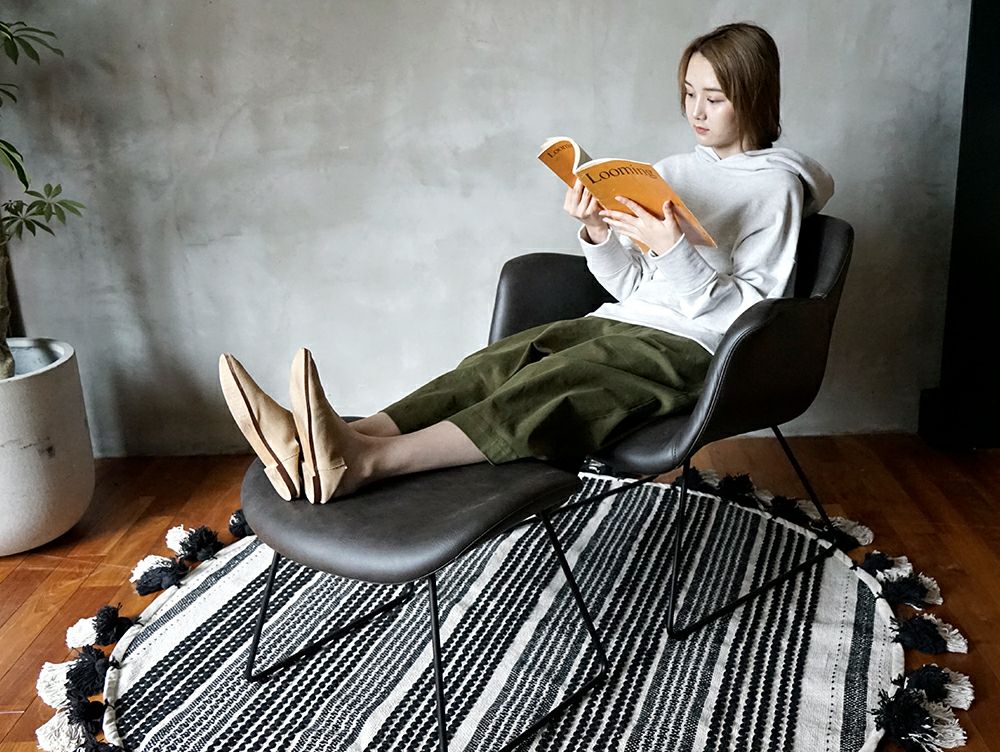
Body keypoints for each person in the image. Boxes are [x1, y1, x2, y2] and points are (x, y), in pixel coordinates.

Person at [219, 22, 834, 505]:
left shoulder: (776, 188)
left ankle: (364, 463)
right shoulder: (671, 171)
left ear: (755, 98)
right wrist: (600, 233)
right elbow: (634, 286)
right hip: (623, 322)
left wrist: (674, 250)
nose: (696, 112)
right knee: (496, 363)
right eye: (689, 95)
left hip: (696, 350)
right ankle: (325, 442)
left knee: (550, 386)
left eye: (715, 98)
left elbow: (751, 316)